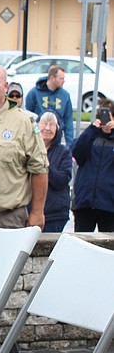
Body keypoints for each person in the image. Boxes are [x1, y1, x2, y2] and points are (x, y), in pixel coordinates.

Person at [0, 64, 49, 229]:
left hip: (7, 219)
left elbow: (39, 170)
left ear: (5, 86)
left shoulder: (23, 122)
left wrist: (37, 212)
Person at [71, 99, 114, 232]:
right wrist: (92, 129)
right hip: (84, 202)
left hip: (109, 205)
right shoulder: (90, 136)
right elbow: (77, 153)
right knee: (80, 244)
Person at [36, 111, 72, 233]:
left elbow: (62, 180)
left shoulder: (64, 152)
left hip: (54, 214)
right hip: (29, 211)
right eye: (44, 123)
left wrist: (43, 165)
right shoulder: (28, 148)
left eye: (52, 125)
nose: (47, 128)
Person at [25, 65, 74, 144]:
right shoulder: (34, 93)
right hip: (37, 138)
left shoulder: (65, 95)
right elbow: (28, 116)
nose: (63, 81)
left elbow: (68, 121)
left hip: (56, 139)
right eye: (61, 78)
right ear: (52, 78)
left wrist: (70, 145)